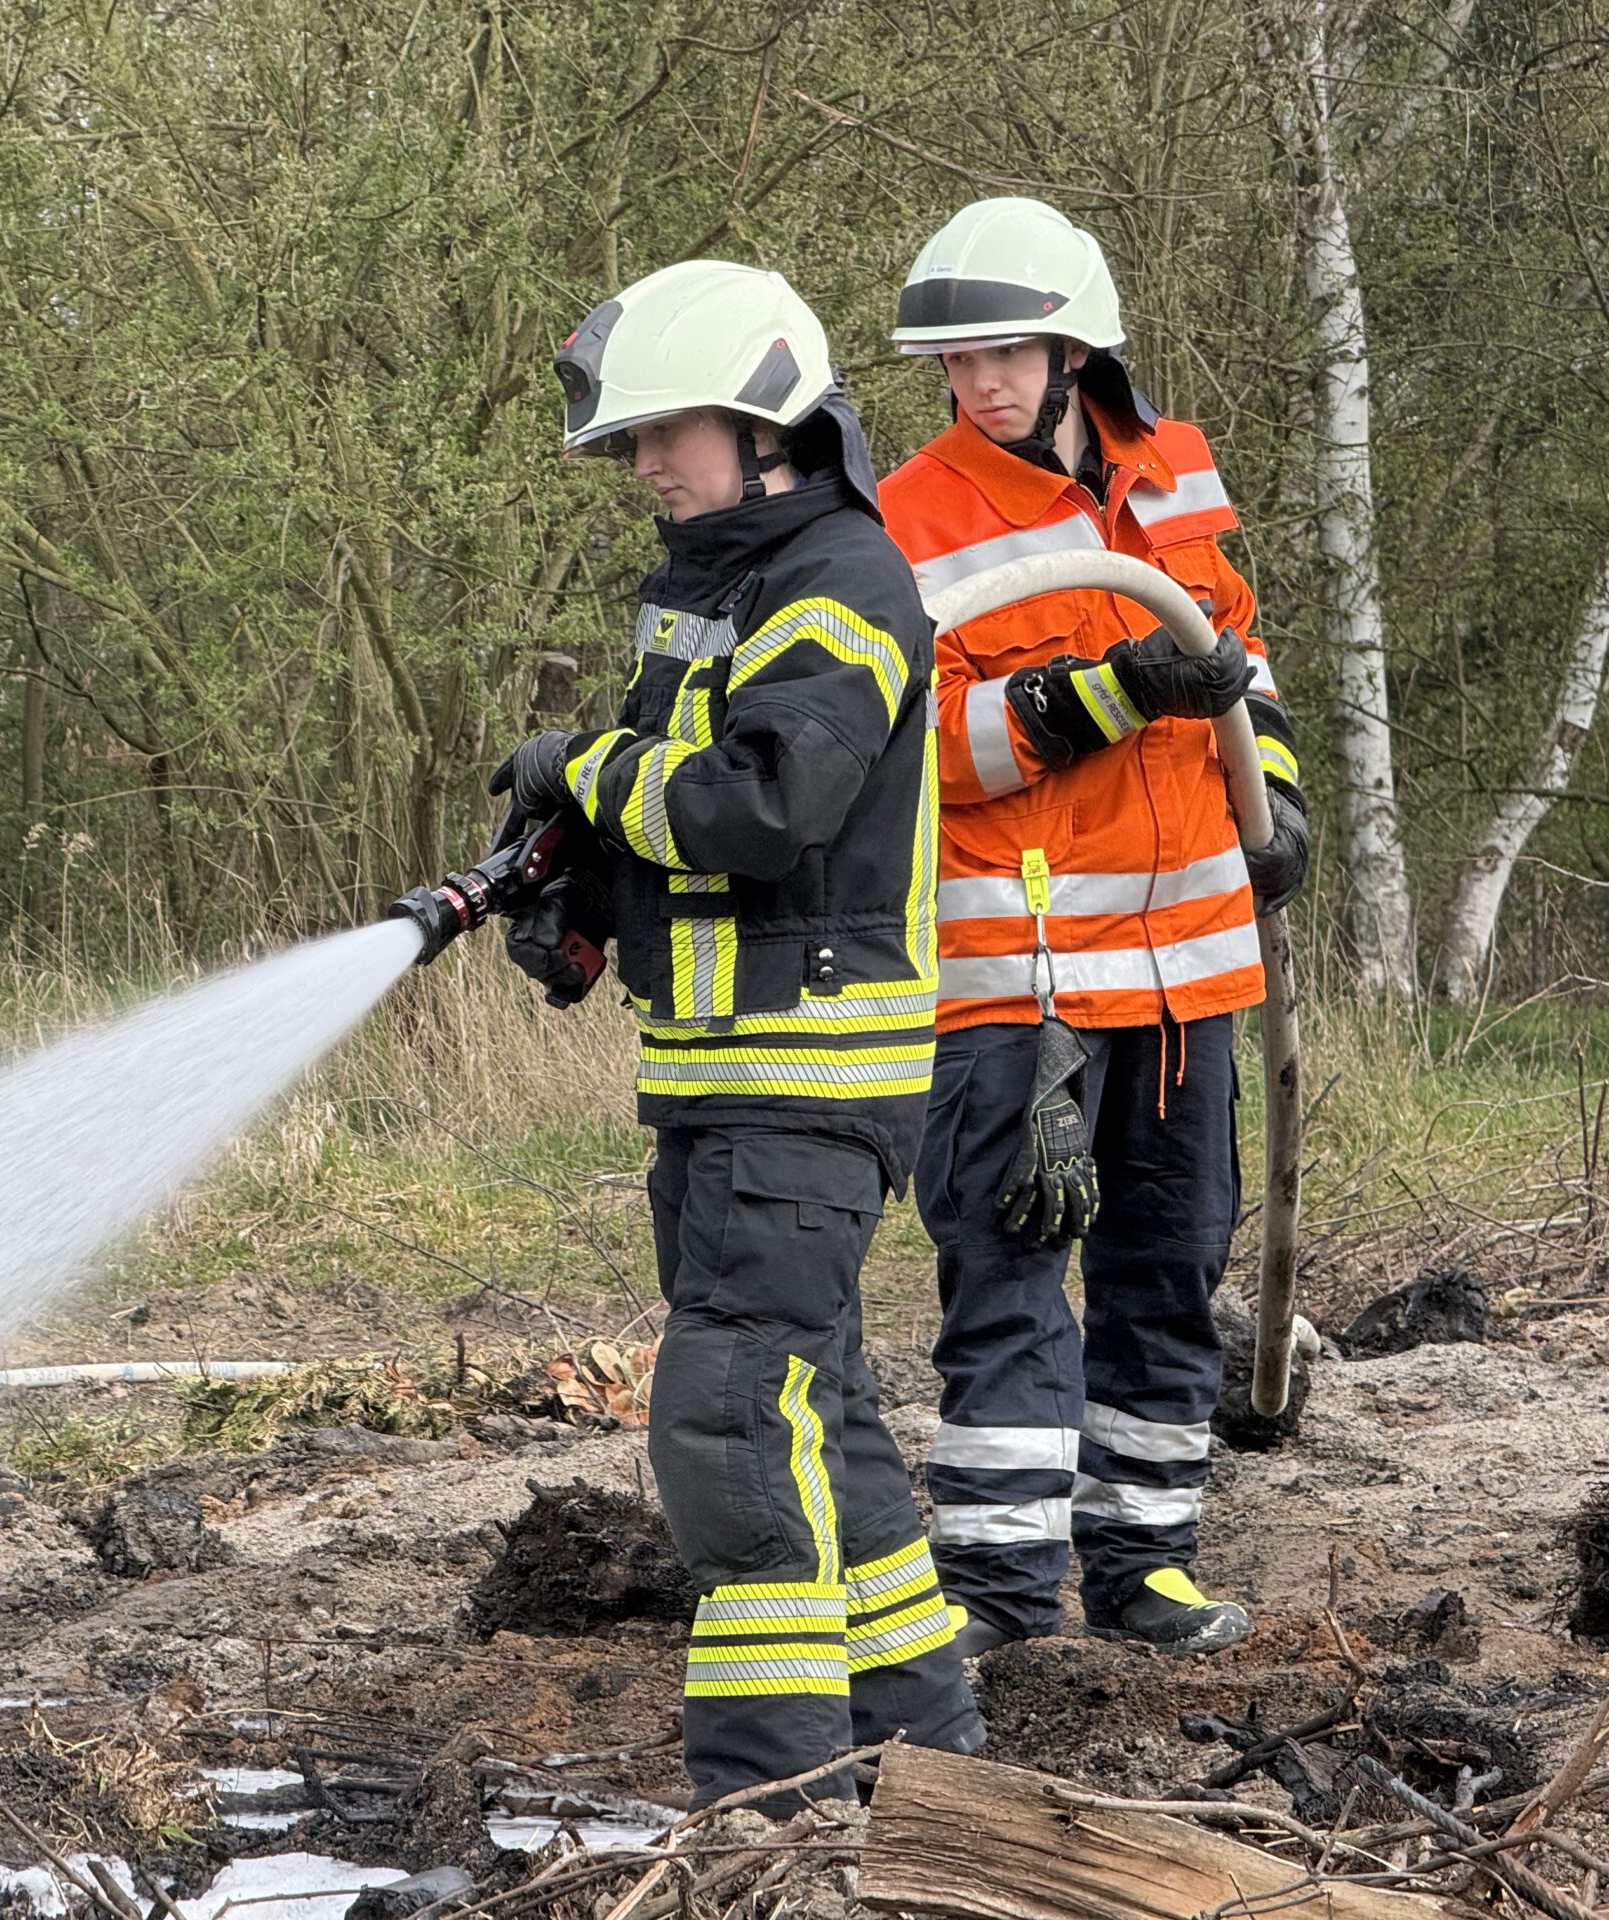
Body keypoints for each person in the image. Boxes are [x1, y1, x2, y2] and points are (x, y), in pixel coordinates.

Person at [491, 259, 984, 1814]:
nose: (642, 467)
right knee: (813, 1412)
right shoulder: (717, 583)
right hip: (719, 1088)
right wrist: (585, 888)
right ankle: (923, 1763)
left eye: (667, 433)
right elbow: (676, 800)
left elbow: (768, 807)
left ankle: (772, 1810)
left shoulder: (842, 581)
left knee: (724, 1418)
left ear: (768, 421)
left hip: (807, 1085)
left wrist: (590, 769)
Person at [876, 197, 1311, 1658]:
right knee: (1006, 1284)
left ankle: (1147, 1568)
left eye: (1007, 352)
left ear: (1075, 349)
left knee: (1170, 1272)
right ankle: (996, 1605)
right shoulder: (909, 520)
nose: (981, 382)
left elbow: (1238, 654)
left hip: (1191, 982)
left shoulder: (1174, 471)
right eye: (957, 361)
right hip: (1023, 994)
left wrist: (1280, 803)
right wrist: (1087, 700)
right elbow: (905, 750)